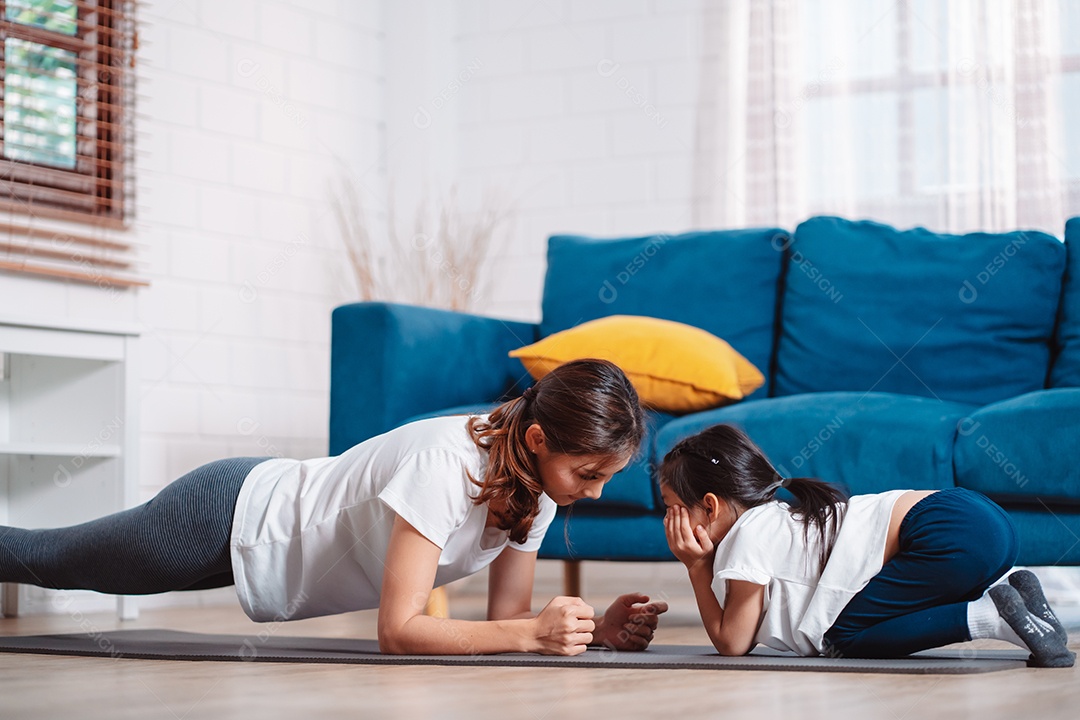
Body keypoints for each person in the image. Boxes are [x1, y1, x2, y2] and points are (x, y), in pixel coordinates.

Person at [0, 358, 667, 656]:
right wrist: (529, 635)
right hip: (231, 511)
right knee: (49, 559)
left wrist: (593, 631)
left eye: (605, 478)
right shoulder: (448, 464)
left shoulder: (535, 492)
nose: (594, 493)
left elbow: (504, 620)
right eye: (588, 474)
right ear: (538, 440)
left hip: (260, 556)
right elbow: (399, 631)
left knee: (56, 561)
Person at [659, 423, 1074, 667]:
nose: (667, 520)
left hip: (947, 532)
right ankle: (1021, 603)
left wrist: (696, 567)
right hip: (979, 521)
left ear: (710, 506)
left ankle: (992, 616)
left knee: (842, 638)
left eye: (671, 507)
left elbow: (733, 643)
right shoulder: (777, 518)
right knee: (881, 612)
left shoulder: (747, 537)